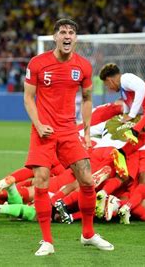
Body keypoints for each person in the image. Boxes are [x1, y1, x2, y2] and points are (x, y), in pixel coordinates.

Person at [23, 18, 113, 256]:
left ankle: (88, 234)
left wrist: (85, 130)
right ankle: (47, 241)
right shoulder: (38, 63)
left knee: (87, 179)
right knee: (41, 179)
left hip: (68, 130)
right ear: (55, 37)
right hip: (43, 131)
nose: (67, 36)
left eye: (71, 32)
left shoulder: (83, 66)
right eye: (62, 32)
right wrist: (39, 124)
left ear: (75, 38)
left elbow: (86, 99)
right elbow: (28, 98)